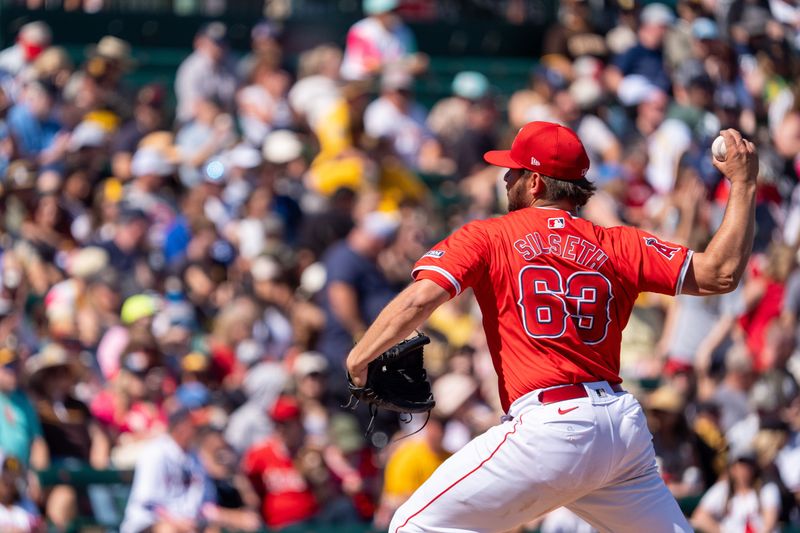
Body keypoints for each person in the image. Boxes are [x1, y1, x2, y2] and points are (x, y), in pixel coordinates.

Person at [346, 121, 759, 532]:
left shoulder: (489, 235)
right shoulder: (619, 243)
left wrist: (360, 356)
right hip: (620, 429)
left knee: (411, 526)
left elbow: (420, 298)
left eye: (514, 171)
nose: (506, 177)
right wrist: (744, 185)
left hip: (552, 425)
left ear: (536, 183)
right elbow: (720, 274)